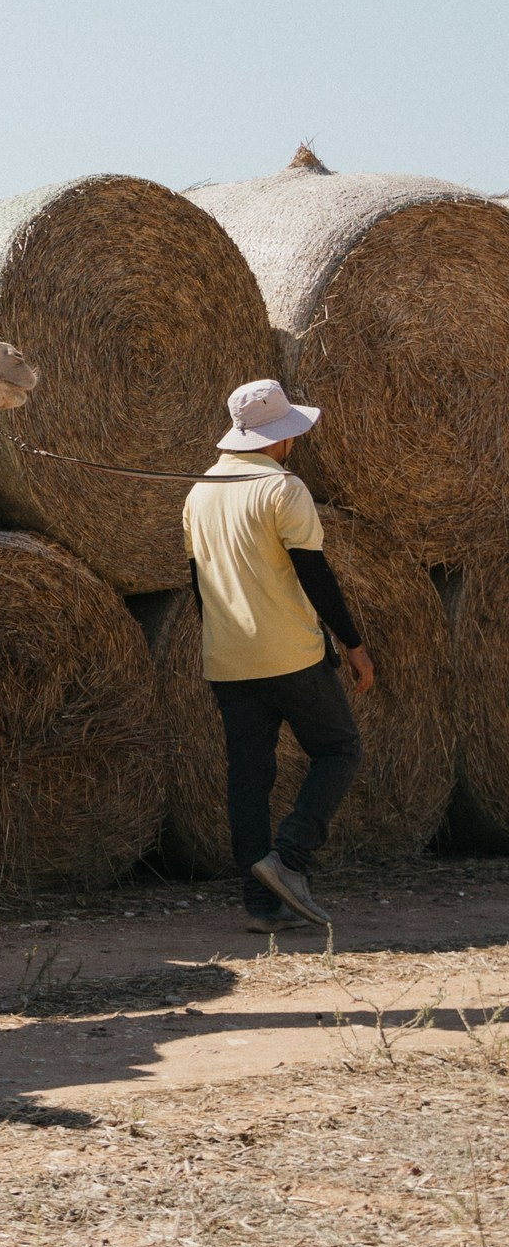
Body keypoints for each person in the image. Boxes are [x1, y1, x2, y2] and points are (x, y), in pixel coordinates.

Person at [184, 378, 373, 931]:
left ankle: (261, 906)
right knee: (340, 749)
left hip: (228, 659)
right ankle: (289, 858)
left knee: (249, 778)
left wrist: (222, 642)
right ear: (280, 437)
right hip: (291, 654)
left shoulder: (198, 492)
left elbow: (199, 585)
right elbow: (315, 574)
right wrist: (355, 647)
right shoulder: (284, 490)